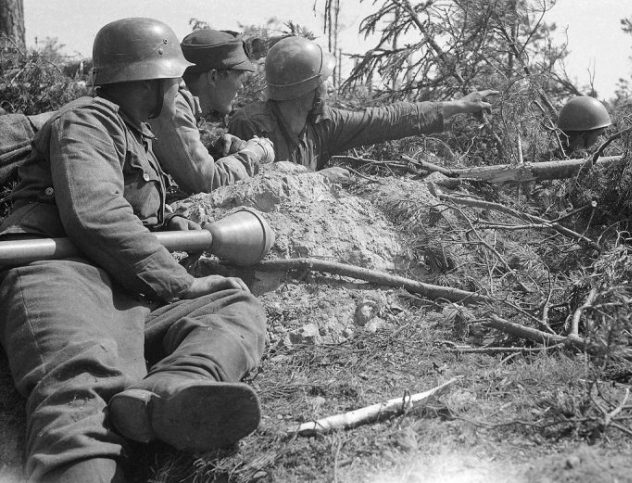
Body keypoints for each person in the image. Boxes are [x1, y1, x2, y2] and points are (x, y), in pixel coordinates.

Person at [0, 17, 266, 482]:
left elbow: (127, 210)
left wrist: (171, 225)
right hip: (56, 270)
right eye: (171, 80)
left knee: (232, 304)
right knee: (81, 389)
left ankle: (173, 390)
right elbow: (95, 211)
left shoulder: (135, 135)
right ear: (154, 82)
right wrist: (179, 282)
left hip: (120, 282)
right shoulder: (87, 118)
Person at [228, 36, 495, 180]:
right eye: (322, 82)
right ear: (305, 90)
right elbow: (252, 189)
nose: (326, 89)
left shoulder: (321, 124)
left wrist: (456, 106)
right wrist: (318, 180)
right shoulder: (251, 124)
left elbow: (387, 119)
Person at [150, 28, 274, 194]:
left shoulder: (182, 105)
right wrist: (255, 151)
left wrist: (214, 152)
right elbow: (208, 182)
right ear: (214, 76)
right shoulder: (174, 108)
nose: (241, 86)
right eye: (239, 77)